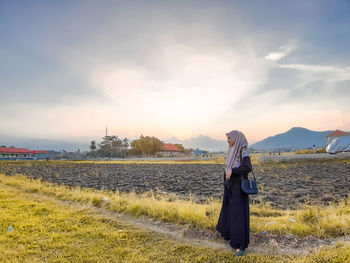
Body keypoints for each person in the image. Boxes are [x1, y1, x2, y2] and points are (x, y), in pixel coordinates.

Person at [216, 130, 252, 256]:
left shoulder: (243, 150)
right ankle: (231, 238)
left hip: (238, 188)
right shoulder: (231, 150)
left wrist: (234, 170)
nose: (228, 141)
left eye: (230, 139)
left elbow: (248, 168)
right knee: (230, 212)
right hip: (230, 186)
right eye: (227, 139)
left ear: (236, 139)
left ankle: (240, 246)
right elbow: (227, 169)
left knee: (238, 215)